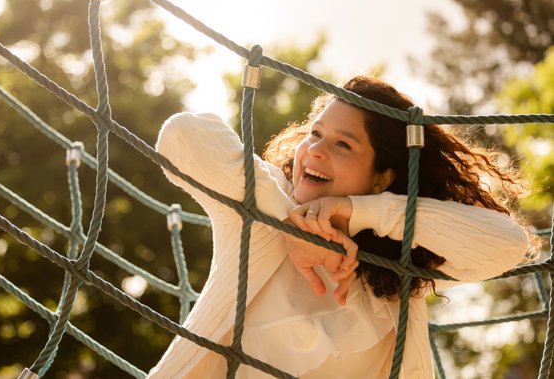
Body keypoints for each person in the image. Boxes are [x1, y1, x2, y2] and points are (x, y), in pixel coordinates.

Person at [149, 76, 537, 378]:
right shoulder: (259, 207)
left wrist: (360, 212)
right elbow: (181, 136)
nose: (316, 150)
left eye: (343, 145)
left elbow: (507, 244)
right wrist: (292, 225)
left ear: (382, 178)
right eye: (315, 134)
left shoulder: (397, 266)